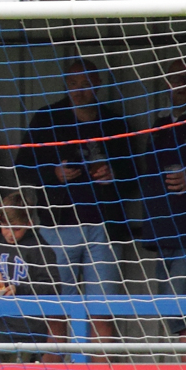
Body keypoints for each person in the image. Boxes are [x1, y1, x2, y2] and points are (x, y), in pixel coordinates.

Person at [16, 59, 136, 344]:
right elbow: (22, 166)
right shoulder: (47, 118)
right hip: (57, 227)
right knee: (56, 311)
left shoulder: (115, 123)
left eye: (85, 84)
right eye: (73, 84)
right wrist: (53, 173)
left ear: (98, 85)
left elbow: (135, 177)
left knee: (102, 311)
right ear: (66, 85)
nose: (79, 91)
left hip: (104, 229)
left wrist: (113, 175)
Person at [0, 193, 68, 363]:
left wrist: (19, 289)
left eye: (16, 229)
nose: (10, 234)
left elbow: (53, 287)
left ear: (29, 223)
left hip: (28, 334)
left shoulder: (39, 248)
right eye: (5, 227)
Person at [138, 61, 186, 340]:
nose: (178, 85)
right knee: (172, 311)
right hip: (163, 231)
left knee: (181, 306)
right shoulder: (160, 124)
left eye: (183, 78)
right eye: (173, 79)